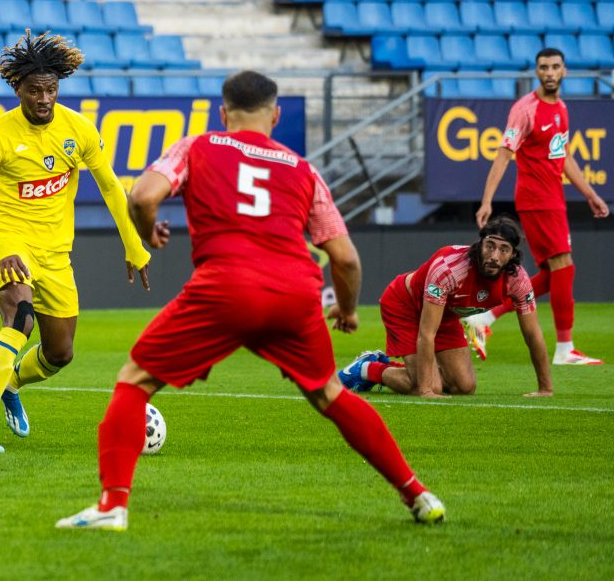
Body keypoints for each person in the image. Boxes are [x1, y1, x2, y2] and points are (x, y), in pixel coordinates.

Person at [56, 70, 444, 531]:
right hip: (295, 293)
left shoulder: (199, 146)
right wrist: (346, 308)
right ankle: (418, 494)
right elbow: (346, 259)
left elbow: (141, 196)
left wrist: (147, 231)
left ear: (223, 114)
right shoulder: (303, 170)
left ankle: (111, 507)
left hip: (226, 286)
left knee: (134, 380)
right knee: (330, 394)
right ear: (276, 115)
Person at [0, 30, 156, 454]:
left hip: (56, 252)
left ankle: (10, 381)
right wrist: (0, 243)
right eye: (34, 91)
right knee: (19, 317)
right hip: (9, 240)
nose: (44, 98)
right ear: (18, 90)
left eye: (50, 89)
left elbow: (110, 188)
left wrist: (133, 245)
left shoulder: (78, 130)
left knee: (60, 353)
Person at [465, 48, 609, 365]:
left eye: (556, 66)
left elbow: (563, 156)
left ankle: (484, 319)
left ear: (565, 71)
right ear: (536, 71)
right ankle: (564, 349)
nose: (550, 72)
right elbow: (504, 153)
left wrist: (589, 194)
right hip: (536, 198)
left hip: (553, 196)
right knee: (564, 267)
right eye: (544, 67)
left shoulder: (561, 109)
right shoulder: (525, 110)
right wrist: (487, 199)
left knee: (549, 273)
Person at [337, 217, 553, 398]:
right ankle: (367, 369)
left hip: (446, 315)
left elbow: (533, 335)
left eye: (504, 250)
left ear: (513, 255)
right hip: (405, 306)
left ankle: (417, 373)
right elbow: (427, 333)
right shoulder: (450, 269)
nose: (494, 256)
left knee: (464, 387)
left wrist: (545, 388)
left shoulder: (517, 280)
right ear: (481, 245)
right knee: (427, 385)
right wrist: (425, 390)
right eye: (490, 246)